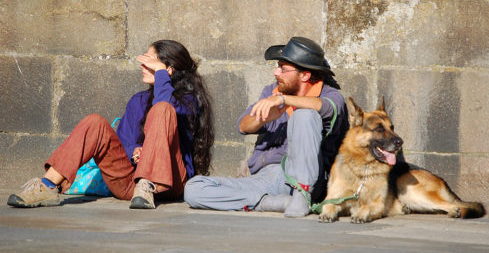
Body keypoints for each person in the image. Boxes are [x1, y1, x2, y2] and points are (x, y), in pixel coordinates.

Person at [7, 40, 214, 210]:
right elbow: (123, 143)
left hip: (167, 183)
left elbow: (164, 105)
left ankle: (148, 184)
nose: (142, 65)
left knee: (162, 110)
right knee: (94, 122)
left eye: (149, 61)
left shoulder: (188, 101)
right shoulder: (138, 101)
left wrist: (161, 74)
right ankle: (48, 185)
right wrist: (135, 151)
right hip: (130, 184)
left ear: (168, 69)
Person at [184, 37, 349, 217]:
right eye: (277, 66)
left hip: (304, 177)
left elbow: (326, 108)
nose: (276, 72)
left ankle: (302, 195)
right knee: (194, 188)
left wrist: (283, 100)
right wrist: (263, 118)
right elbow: (243, 125)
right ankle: (270, 202)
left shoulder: (330, 95)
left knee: (305, 114)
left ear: (305, 75)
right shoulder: (271, 91)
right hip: (265, 177)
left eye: (283, 68)